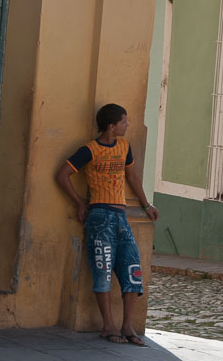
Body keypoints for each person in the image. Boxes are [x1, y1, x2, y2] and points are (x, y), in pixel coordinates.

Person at [55, 103, 159, 346]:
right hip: (99, 217)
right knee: (102, 270)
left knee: (133, 270)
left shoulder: (124, 147)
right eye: (124, 121)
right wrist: (80, 204)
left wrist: (146, 206)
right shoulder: (89, 150)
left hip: (122, 216)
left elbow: (132, 177)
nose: (128, 125)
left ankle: (127, 325)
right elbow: (62, 175)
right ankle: (108, 326)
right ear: (111, 126)